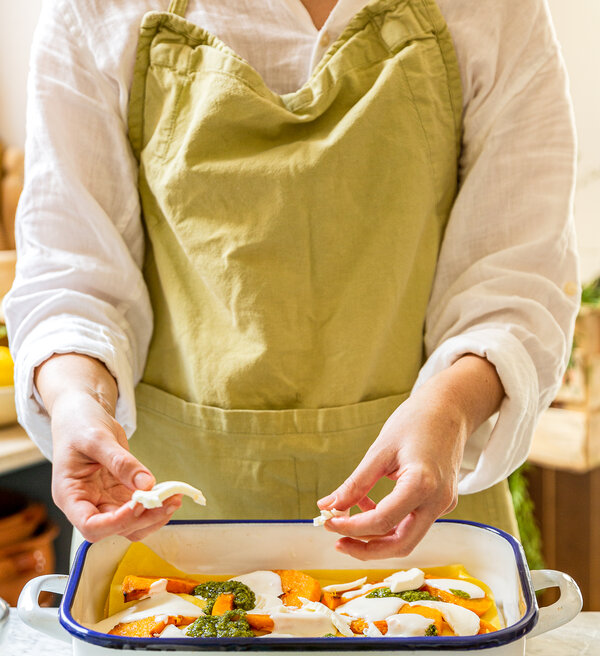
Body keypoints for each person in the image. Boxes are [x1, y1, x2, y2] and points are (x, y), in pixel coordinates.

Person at [5, 0, 579, 559]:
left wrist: (448, 412)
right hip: (169, 533)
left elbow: (515, 276)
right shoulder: (95, 9)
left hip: (425, 530)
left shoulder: (495, 9)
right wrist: (78, 401)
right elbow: (71, 273)